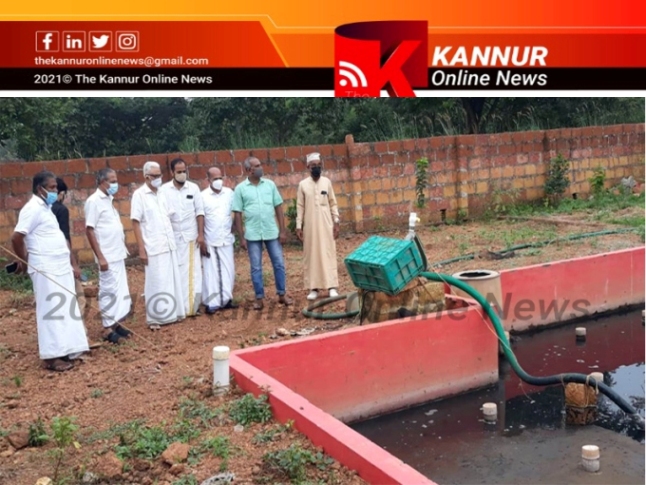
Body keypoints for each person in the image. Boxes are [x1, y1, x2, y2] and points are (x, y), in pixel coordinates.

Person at [10, 171, 89, 372]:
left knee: (64, 308)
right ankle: (52, 357)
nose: (56, 191)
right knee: (50, 310)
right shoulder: (31, 209)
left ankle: (67, 348)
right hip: (45, 268)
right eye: (52, 187)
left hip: (60, 267)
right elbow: (17, 237)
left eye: (56, 187)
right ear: (40, 189)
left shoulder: (47, 208)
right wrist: (24, 260)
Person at [232, 157, 293, 311]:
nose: (261, 168)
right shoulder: (240, 189)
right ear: (248, 170)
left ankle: (282, 294)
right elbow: (237, 213)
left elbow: (278, 207)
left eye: (260, 165)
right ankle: (259, 298)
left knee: (279, 263)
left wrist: (282, 231)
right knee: (256, 267)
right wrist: (241, 237)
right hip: (252, 234)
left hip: (271, 232)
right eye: (257, 166)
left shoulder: (270, 185)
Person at [130, 161, 186, 330]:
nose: (158, 178)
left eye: (159, 175)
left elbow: (170, 216)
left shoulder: (162, 193)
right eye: (154, 176)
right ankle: (155, 317)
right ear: (146, 177)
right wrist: (141, 249)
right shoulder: (139, 195)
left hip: (168, 243)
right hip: (152, 245)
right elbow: (135, 222)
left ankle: (173, 313)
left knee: (171, 280)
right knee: (156, 282)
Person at [85, 168, 132, 343]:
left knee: (119, 290)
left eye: (116, 180)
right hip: (106, 255)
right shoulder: (94, 201)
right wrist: (100, 257)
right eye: (112, 181)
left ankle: (115, 323)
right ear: (101, 182)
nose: (115, 184)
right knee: (108, 290)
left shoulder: (109, 200)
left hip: (117, 253)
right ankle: (107, 328)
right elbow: (89, 230)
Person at [160, 158, 206, 317]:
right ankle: (178, 307)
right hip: (173, 238)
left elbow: (200, 212)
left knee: (193, 272)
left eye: (184, 171)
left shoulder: (193, 188)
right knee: (176, 271)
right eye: (178, 171)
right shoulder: (164, 190)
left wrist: (201, 235)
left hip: (191, 237)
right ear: (172, 172)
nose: (182, 174)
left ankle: (193, 307)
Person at [296, 153, 341, 301]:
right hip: (310, 227)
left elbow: (333, 203)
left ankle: (332, 286)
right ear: (308, 167)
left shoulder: (327, 182)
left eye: (319, 165)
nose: (316, 168)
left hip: (326, 224)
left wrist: (336, 222)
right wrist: (298, 226)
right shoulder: (303, 185)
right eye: (313, 165)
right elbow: (300, 207)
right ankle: (313, 288)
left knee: (328, 252)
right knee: (312, 255)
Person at [201, 167, 239, 314]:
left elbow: (236, 211)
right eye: (215, 178)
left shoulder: (229, 193)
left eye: (220, 178)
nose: (218, 181)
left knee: (228, 270)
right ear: (208, 180)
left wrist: (235, 226)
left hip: (226, 239)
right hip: (212, 239)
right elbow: (200, 218)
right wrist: (201, 238)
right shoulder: (203, 196)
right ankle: (213, 302)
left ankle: (226, 299)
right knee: (213, 273)